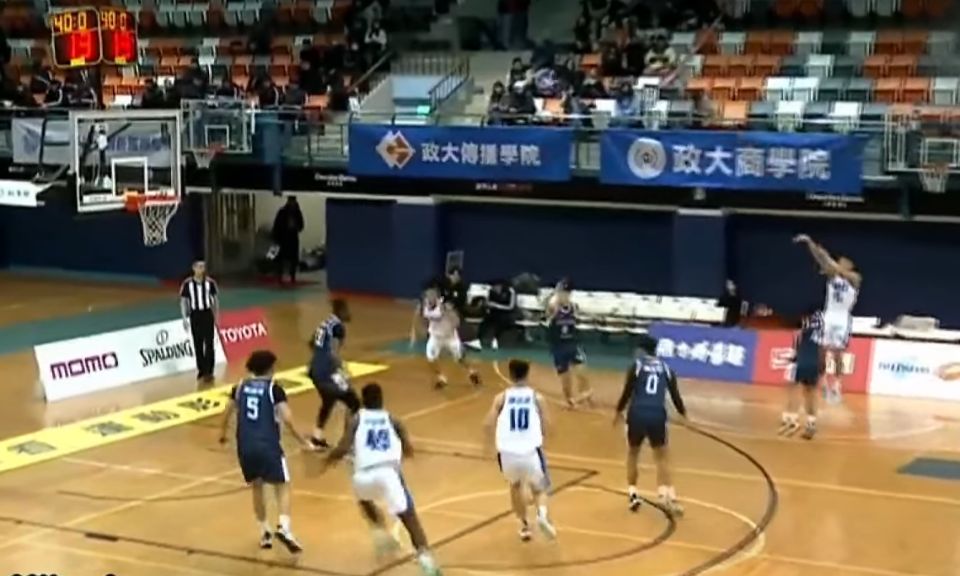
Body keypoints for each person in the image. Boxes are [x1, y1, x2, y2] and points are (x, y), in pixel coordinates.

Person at [323, 383, 443, 576]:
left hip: (363, 478)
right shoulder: (393, 420)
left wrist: (327, 460)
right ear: (382, 399)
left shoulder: (356, 419)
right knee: (410, 518)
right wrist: (407, 452)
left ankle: (380, 533)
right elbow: (408, 449)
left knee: (364, 499)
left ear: (363, 401)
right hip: (388, 475)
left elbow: (343, 448)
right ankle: (426, 562)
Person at [217, 350, 312, 553]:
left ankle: (265, 532)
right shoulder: (273, 389)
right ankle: (284, 527)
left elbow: (226, 413)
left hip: (245, 446)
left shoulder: (239, 387)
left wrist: (222, 435)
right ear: (270, 368)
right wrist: (302, 441)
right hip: (268, 445)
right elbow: (287, 419)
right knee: (282, 485)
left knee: (257, 486)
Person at [484, 359, 557, 541]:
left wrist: (487, 446)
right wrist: (545, 437)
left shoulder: (501, 398)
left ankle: (524, 526)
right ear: (527, 374)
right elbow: (547, 423)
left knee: (515, 486)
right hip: (530, 451)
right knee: (539, 488)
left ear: (510, 375)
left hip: (507, 452)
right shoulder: (536, 397)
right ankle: (542, 515)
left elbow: (488, 423)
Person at [614, 334, 686, 516]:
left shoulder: (637, 367)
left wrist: (618, 411)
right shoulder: (666, 368)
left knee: (633, 454)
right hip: (657, 415)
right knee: (662, 457)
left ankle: (633, 493)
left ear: (641, 350)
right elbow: (676, 396)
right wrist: (684, 414)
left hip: (637, 414)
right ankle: (666, 495)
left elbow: (627, 392)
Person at [793, 234, 861, 404]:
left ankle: (837, 384)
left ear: (850, 265)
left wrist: (831, 264)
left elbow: (832, 266)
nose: (841, 263)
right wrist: (810, 243)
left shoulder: (855, 278)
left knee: (838, 354)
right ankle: (823, 381)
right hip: (829, 315)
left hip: (842, 319)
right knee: (822, 351)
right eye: (840, 261)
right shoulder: (833, 275)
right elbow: (821, 258)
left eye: (844, 262)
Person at [308, 299, 360, 448]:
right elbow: (333, 352)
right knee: (354, 402)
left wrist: (320, 357)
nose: (349, 313)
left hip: (314, 370)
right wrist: (343, 370)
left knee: (328, 401)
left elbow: (311, 343)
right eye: (347, 310)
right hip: (327, 372)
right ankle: (348, 441)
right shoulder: (338, 327)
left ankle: (317, 437)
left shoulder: (325, 323)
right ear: (341, 311)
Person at [411, 287, 481, 389]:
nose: (429, 298)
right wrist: (418, 331)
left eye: (431, 296)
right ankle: (441, 378)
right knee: (431, 358)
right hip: (435, 337)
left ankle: (472, 372)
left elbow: (456, 321)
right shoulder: (425, 306)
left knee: (459, 358)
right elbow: (422, 316)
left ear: (436, 297)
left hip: (450, 337)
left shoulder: (446, 307)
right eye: (427, 296)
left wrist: (452, 321)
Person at [544, 280, 593, 408]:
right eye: (562, 292)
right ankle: (569, 400)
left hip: (572, 344)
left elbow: (576, 318)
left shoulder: (573, 307)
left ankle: (586, 396)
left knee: (582, 373)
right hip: (558, 347)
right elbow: (548, 313)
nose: (564, 295)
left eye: (567, 293)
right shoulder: (553, 306)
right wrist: (554, 304)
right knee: (565, 381)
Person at [780, 307, 824, 440]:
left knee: (802, 391)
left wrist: (821, 363)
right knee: (805, 392)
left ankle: (795, 420)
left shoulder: (812, 330)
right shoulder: (808, 330)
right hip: (807, 361)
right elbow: (798, 345)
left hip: (808, 362)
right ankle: (805, 422)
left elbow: (821, 347)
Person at [180, 260, 219, 384]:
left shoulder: (210, 283)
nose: (201, 269)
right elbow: (183, 301)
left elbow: (215, 300)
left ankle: (209, 371)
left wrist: (216, 316)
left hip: (207, 314)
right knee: (198, 343)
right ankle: (201, 369)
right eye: (198, 266)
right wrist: (184, 318)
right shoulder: (187, 284)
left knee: (209, 343)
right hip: (195, 315)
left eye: (203, 267)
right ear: (193, 268)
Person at [271, 196, 305, 286]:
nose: (292, 203)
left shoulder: (297, 213)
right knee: (280, 258)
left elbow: (301, 226)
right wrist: (276, 237)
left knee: (293, 259)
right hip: (282, 238)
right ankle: (279, 277)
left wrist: (295, 226)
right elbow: (276, 226)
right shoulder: (282, 212)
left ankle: (292, 277)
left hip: (292, 238)